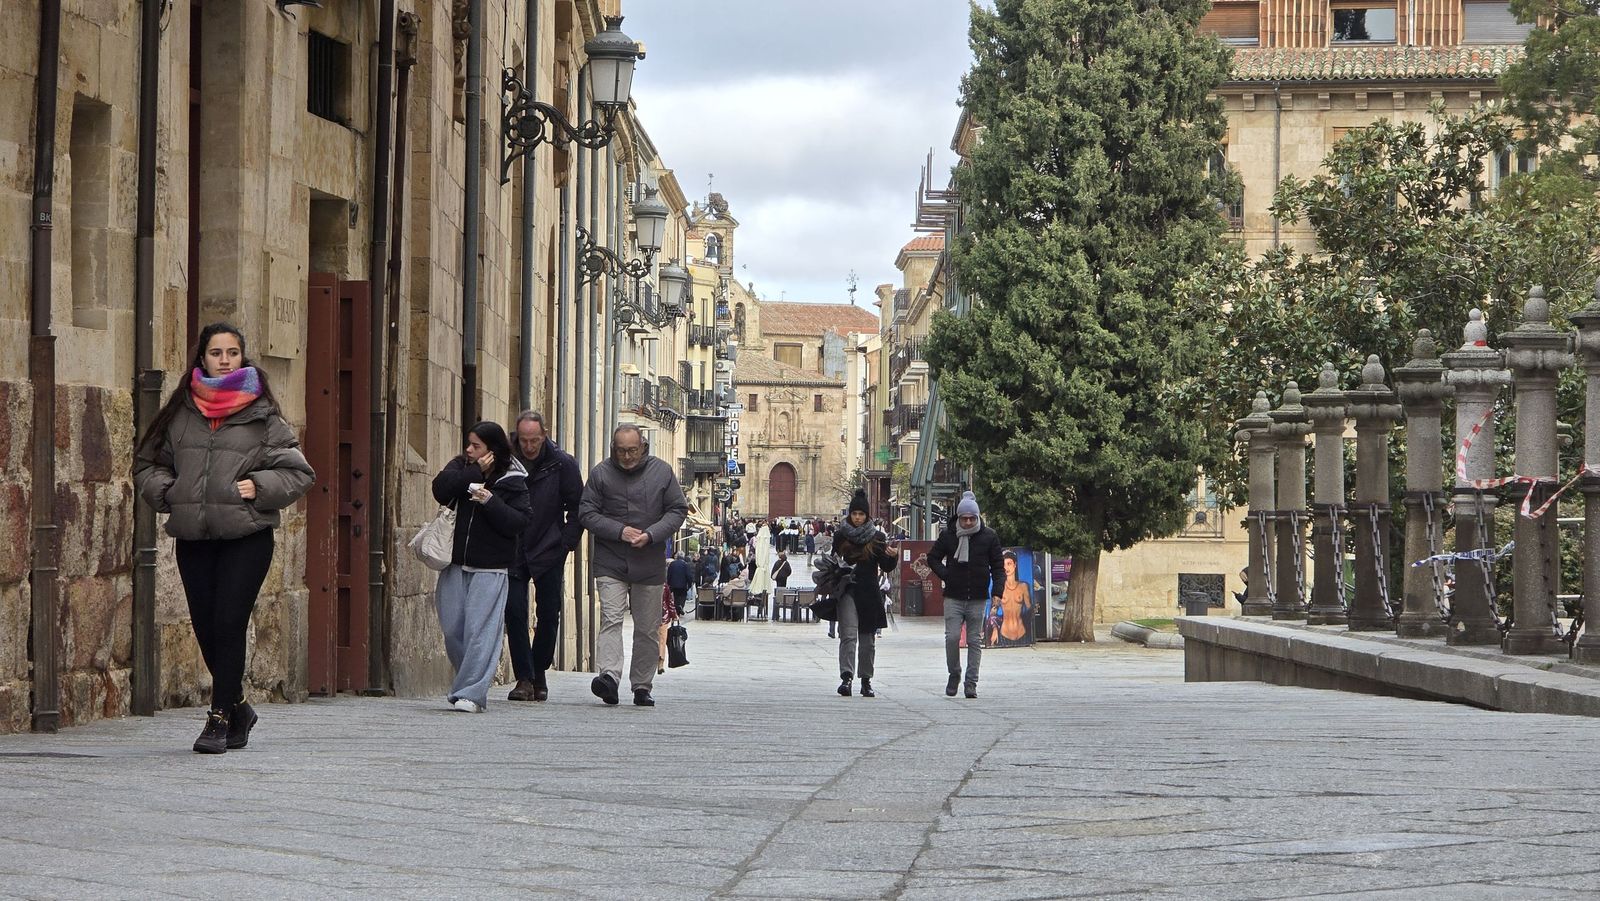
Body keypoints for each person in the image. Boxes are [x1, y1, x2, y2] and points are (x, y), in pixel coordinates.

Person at [134, 323, 316, 754]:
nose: (224, 360)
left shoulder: (261, 414)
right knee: (205, 626)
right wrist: (171, 493)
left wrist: (260, 486)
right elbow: (147, 465)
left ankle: (217, 719)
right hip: (194, 536)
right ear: (203, 359)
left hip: (246, 535)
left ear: (242, 357)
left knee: (230, 622)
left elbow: (299, 472)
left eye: (232, 353)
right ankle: (239, 707)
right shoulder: (181, 412)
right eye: (216, 353)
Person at [578, 425, 688, 707]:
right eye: (621, 451)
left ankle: (641, 685)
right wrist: (620, 531)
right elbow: (586, 512)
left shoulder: (662, 472)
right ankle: (609, 678)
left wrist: (652, 534)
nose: (626, 456)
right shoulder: (601, 473)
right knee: (611, 619)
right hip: (610, 560)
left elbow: (677, 509)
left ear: (643, 447)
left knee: (647, 628)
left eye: (632, 450)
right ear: (613, 449)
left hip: (649, 561)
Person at [432, 422, 532, 713]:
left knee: (481, 631)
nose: (469, 449)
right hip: (454, 563)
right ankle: (469, 680)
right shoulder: (462, 468)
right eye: (469, 444)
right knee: (453, 629)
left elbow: (519, 522)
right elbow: (440, 488)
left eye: (476, 446)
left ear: (492, 449)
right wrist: (473, 475)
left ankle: (471, 693)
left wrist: (490, 501)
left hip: (491, 567)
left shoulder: (513, 479)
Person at [504, 411, 582, 703]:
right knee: (513, 610)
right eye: (524, 440)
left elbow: (577, 507)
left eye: (534, 440)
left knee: (549, 613)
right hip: (513, 546)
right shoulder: (507, 460)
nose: (529, 446)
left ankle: (539, 670)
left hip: (549, 545)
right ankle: (524, 677)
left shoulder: (562, 463)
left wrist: (566, 544)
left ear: (544, 435)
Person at [928, 491, 1005, 699]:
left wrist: (998, 591)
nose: (969, 522)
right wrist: (946, 575)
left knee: (974, 640)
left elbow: (998, 566)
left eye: (972, 518)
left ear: (978, 517)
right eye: (965, 518)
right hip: (953, 596)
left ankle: (971, 683)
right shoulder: (948, 535)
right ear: (959, 517)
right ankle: (954, 673)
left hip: (978, 597)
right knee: (952, 637)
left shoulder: (989, 536)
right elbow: (932, 558)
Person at [832, 489, 898, 698]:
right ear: (850, 515)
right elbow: (833, 561)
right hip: (848, 590)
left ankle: (866, 680)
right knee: (849, 635)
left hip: (869, 591)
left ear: (867, 516)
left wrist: (893, 557)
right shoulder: (840, 536)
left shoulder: (877, 538)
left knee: (868, 639)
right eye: (855, 514)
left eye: (861, 514)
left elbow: (885, 566)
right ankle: (847, 677)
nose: (858, 518)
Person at [988, 551, 1033, 647]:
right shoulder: (999, 587)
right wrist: (995, 629)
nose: (1006, 568)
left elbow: (1030, 609)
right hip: (1004, 634)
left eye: (1009, 564)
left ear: (1015, 565)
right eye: (1004, 564)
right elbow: (992, 612)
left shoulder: (1023, 586)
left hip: (1022, 633)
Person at [657, 584, 681, 675]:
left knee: (652, 640)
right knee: (662, 641)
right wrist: (674, 615)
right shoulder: (665, 586)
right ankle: (661, 664)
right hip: (664, 616)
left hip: (651, 617)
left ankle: (654, 661)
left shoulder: (648, 584)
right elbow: (669, 602)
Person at [666, 553, 695, 624]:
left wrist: (668, 583)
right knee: (682, 597)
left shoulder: (672, 564)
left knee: (675, 597)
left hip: (674, 584)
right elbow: (688, 575)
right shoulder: (685, 565)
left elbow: (669, 574)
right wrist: (690, 583)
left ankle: (677, 609)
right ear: (683, 557)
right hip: (683, 584)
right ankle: (680, 606)